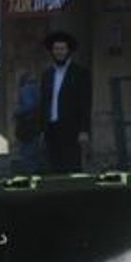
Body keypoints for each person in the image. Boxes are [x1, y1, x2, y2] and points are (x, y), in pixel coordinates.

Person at [38, 30, 92, 173]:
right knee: (53, 167)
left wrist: (84, 130)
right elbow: (44, 102)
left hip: (71, 129)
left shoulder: (80, 73)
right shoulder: (47, 74)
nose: (59, 52)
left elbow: (85, 103)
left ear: (68, 51)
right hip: (51, 128)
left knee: (71, 166)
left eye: (62, 49)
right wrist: (41, 129)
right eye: (56, 49)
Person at [11, 71, 45, 174]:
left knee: (27, 155)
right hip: (35, 126)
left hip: (27, 127)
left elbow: (29, 106)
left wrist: (17, 111)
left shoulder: (26, 89)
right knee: (35, 153)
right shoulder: (37, 89)